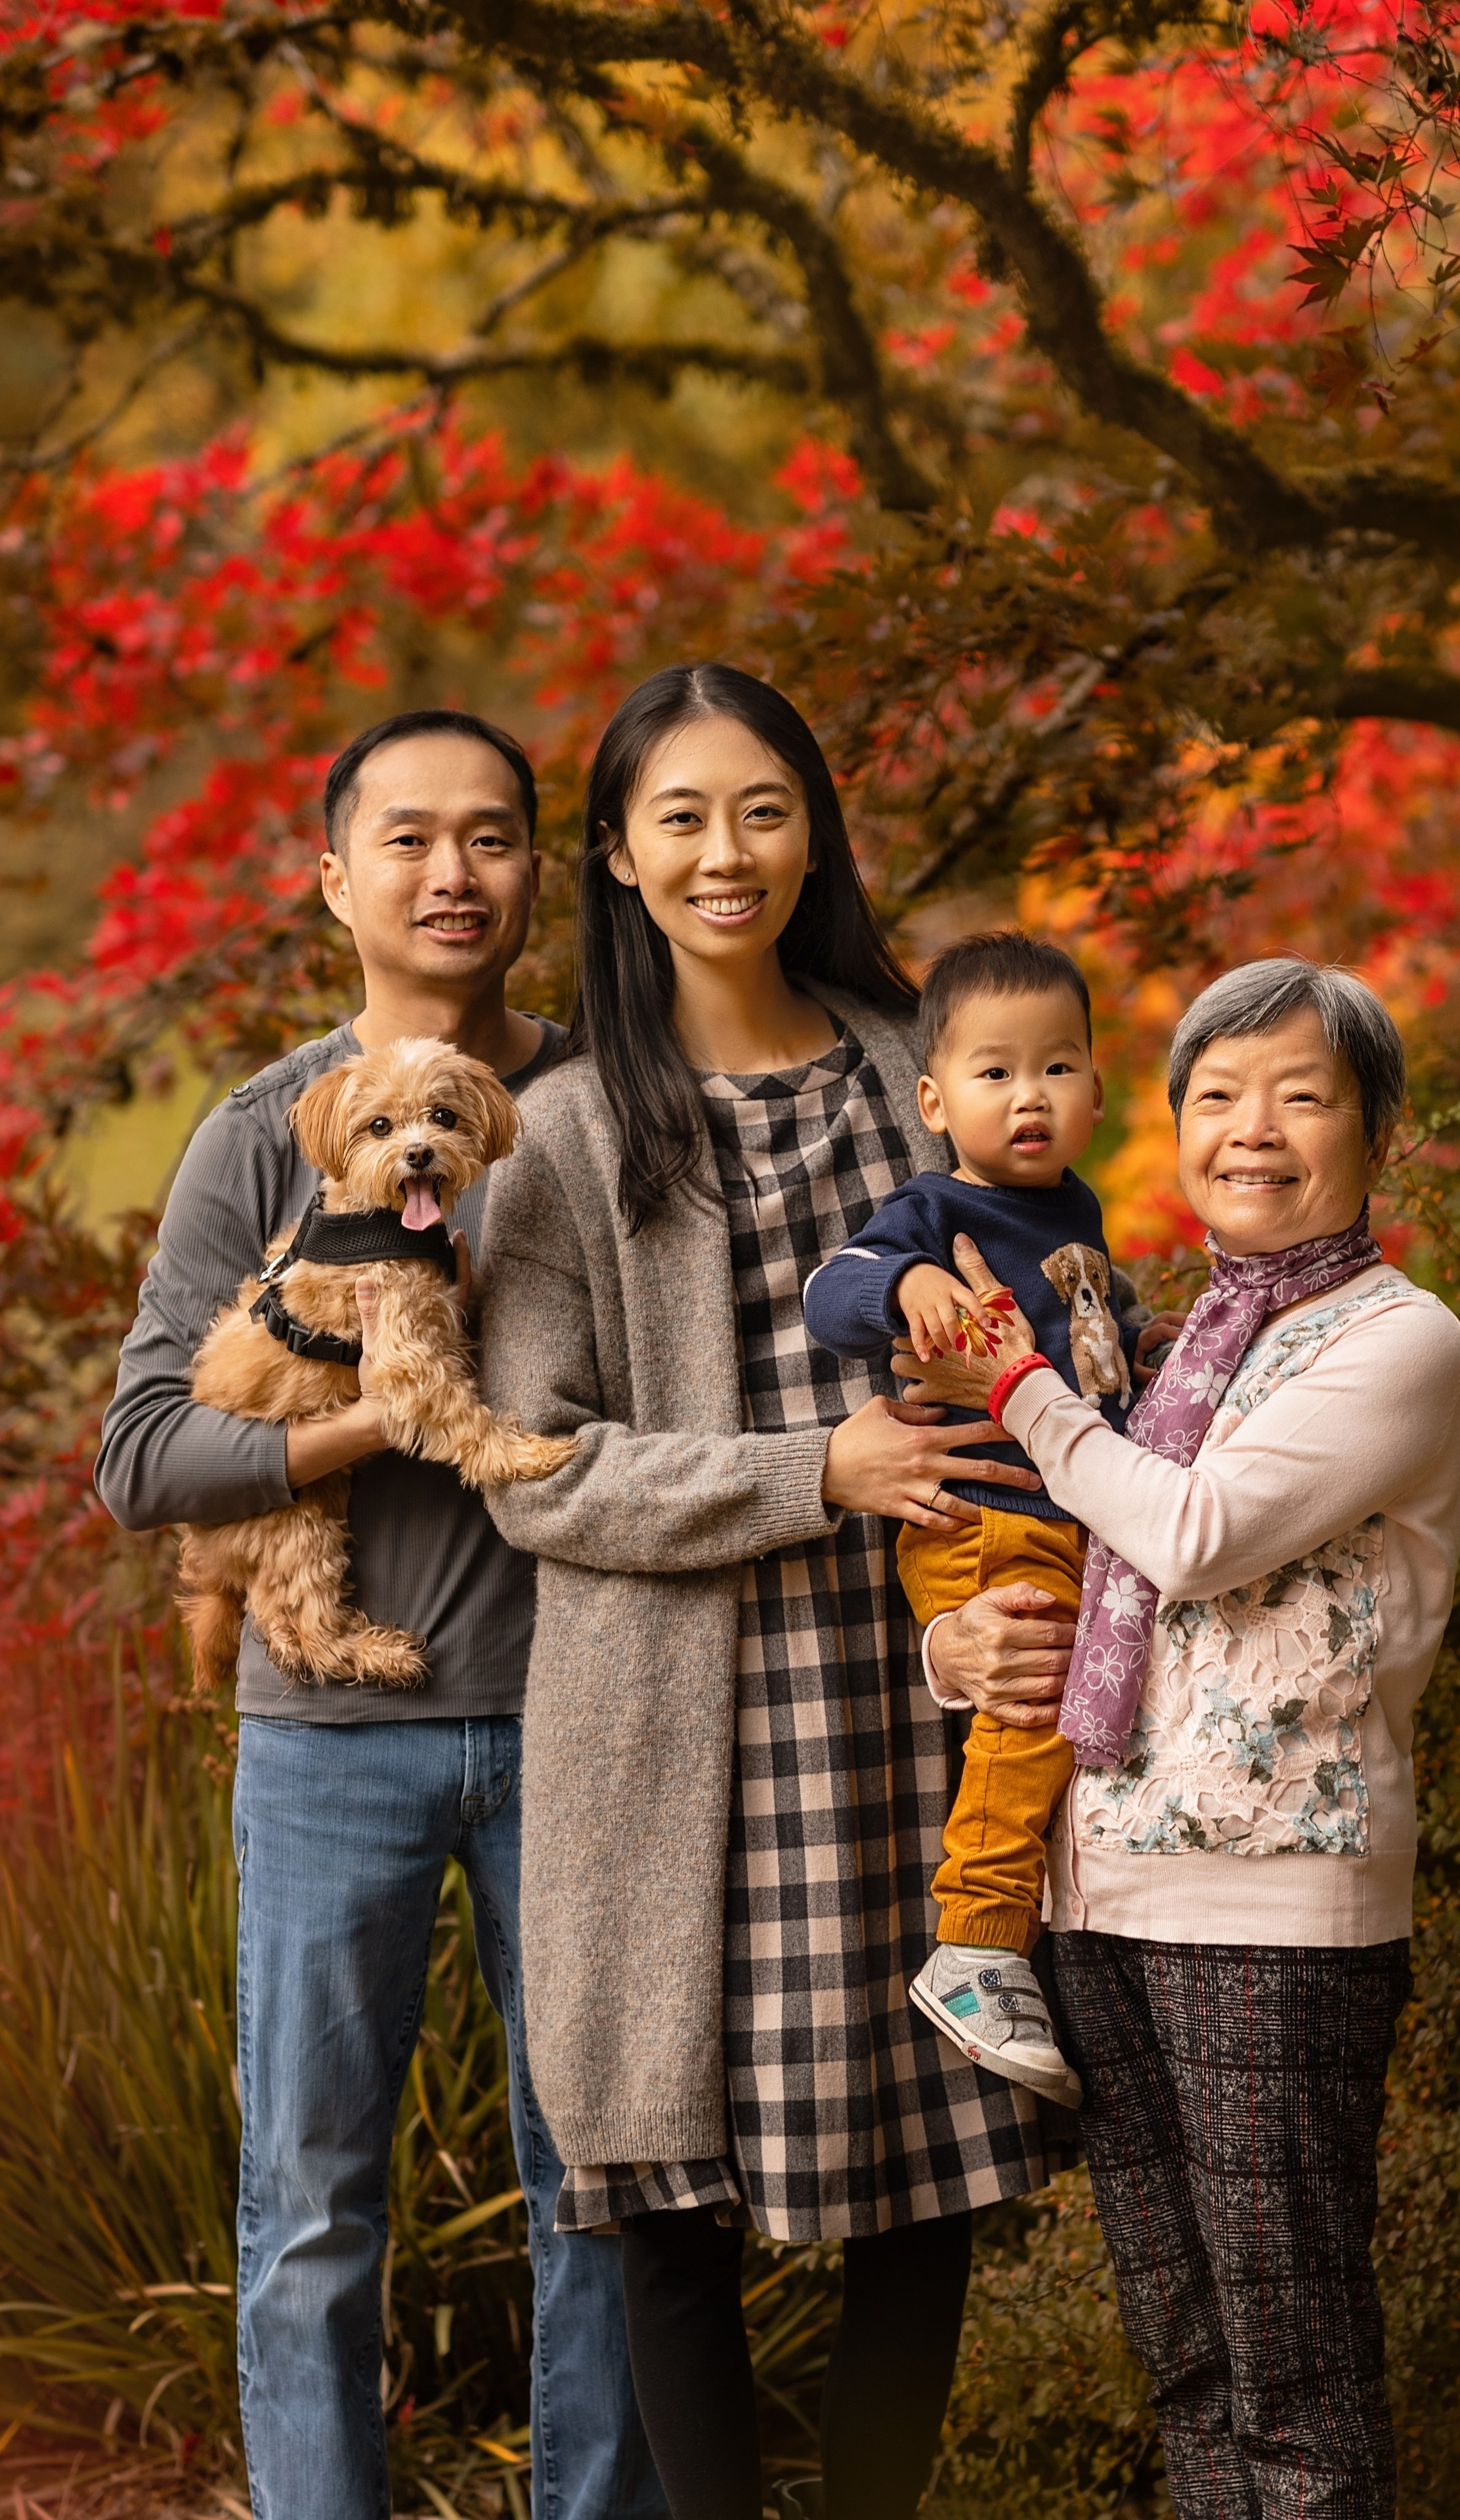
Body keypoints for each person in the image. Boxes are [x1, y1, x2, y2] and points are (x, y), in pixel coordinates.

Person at [475, 665, 1078, 2520]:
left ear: (813, 826)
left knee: (936, 2169)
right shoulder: (565, 1128)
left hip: (926, 1689)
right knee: (672, 2196)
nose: (726, 852)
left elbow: (1070, 1342)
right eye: (682, 816)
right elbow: (531, 1462)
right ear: (620, 857)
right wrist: (805, 1468)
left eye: (762, 807)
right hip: (673, 1734)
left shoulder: (930, 1063)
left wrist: (1014, 1598)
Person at [95, 710, 664, 2520]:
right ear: (334, 878)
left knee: (604, 2184)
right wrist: (371, 1420)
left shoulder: (595, 1113)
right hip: (330, 1744)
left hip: (586, 1715)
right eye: (407, 839)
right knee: (311, 2201)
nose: (453, 874)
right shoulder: (263, 1135)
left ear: (539, 877)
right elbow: (142, 1454)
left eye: (492, 838)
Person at [897, 958, 1460, 2520]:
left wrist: (1011, 1385)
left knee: (1287, 2367)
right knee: (1187, 2358)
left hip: (1269, 1905)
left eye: (1300, 1095)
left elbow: (1196, 1535)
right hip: (1099, 1893)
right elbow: (1085, 1567)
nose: (1253, 1130)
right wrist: (959, 1649)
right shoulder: (1163, 1350)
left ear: (1375, 1127)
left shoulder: (1394, 1342)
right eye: (1216, 1096)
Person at [804, 928, 1167, 2111]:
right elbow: (829, 1292)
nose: (1029, 1097)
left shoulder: (1078, 1208)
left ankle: (1028, 1934)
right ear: (934, 1098)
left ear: (1099, 1091)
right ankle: (975, 1945)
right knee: (1029, 1707)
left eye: (1057, 1068)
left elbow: (1086, 1344)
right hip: (982, 1511)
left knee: (1055, 1713)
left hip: (1061, 1509)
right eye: (995, 1073)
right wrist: (904, 1283)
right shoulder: (929, 1206)